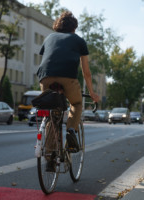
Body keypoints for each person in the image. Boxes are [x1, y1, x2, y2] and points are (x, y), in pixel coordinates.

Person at [37, 11, 99, 155]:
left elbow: (45, 60)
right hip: (68, 78)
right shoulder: (78, 40)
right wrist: (92, 93)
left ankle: (50, 156)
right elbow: (86, 73)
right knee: (76, 104)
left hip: (45, 77)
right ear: (74, 28)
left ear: (58, 26)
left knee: (51, 113)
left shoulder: (49, 38)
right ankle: (71, 131)